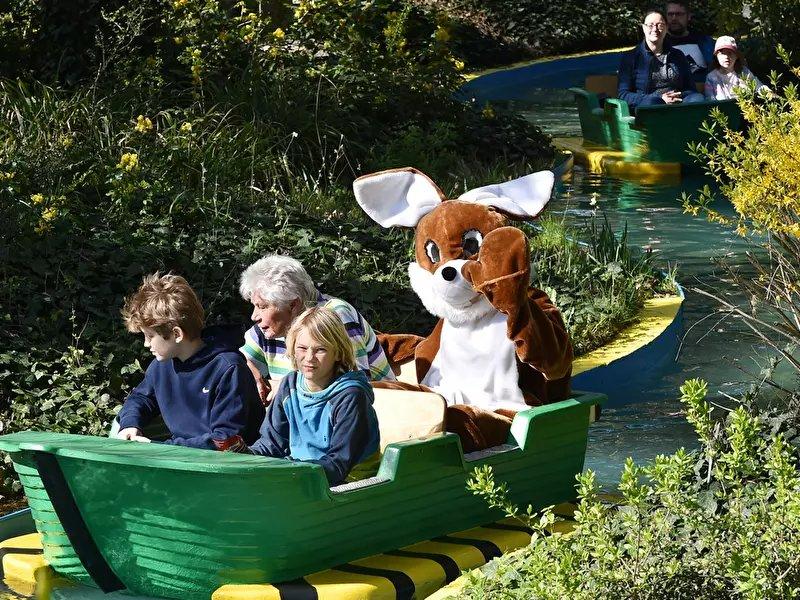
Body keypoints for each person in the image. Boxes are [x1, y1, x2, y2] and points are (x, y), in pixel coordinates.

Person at [116, 273, 264, 451]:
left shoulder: (229, 368)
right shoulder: (160, 365)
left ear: (177, 334)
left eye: (150, 336)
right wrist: (130, 424)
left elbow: (226, 440)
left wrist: (159, 449)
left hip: (230, 467)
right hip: (179, 457)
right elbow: (140, 398)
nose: (146, 344)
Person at [249, 306, 380, 486]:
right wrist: (241, 456)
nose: (309, 358)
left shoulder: (350, 396)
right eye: (302, 348)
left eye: (320, 350)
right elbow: (271, 445)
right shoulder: (290, 386)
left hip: (349, 482)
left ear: (338, 352)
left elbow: (338, 464)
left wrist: (286, 471)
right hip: (301, 475)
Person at [239, 255, 395, 402]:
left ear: (293, 304)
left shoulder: (334, 317)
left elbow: (354, 387)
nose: (254, 316)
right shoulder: (271, 326)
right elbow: (233, 358)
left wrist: (287, 386)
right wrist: (245, 369)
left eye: (263, 306)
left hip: (378, 416)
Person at [618, 9, 705, 112]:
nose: (655, 29)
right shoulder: (631, 57)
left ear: (666, 28)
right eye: (650, 25)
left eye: (660, 25)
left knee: (698, 98)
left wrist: (677, 96)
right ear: (643, 28)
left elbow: (691, 88)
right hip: (648, 106)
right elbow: (623, 95)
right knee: (654, 103)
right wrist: (659, 99)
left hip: (678, 103)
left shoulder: (677, 55)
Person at [704, 36, 771, 100]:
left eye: (729, 53)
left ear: (736, 56)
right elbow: (710, 101)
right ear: (716, 56)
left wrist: (769, 93)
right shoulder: (711, 78)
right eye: (722, 53)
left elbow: (759, 87)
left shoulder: (744, 72)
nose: (726, 57)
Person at [665, 1, 715, 83]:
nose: (674, 18)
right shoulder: (658, 44)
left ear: (688, 16)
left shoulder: (705, 42)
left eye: (679, 14)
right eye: (670, 14)